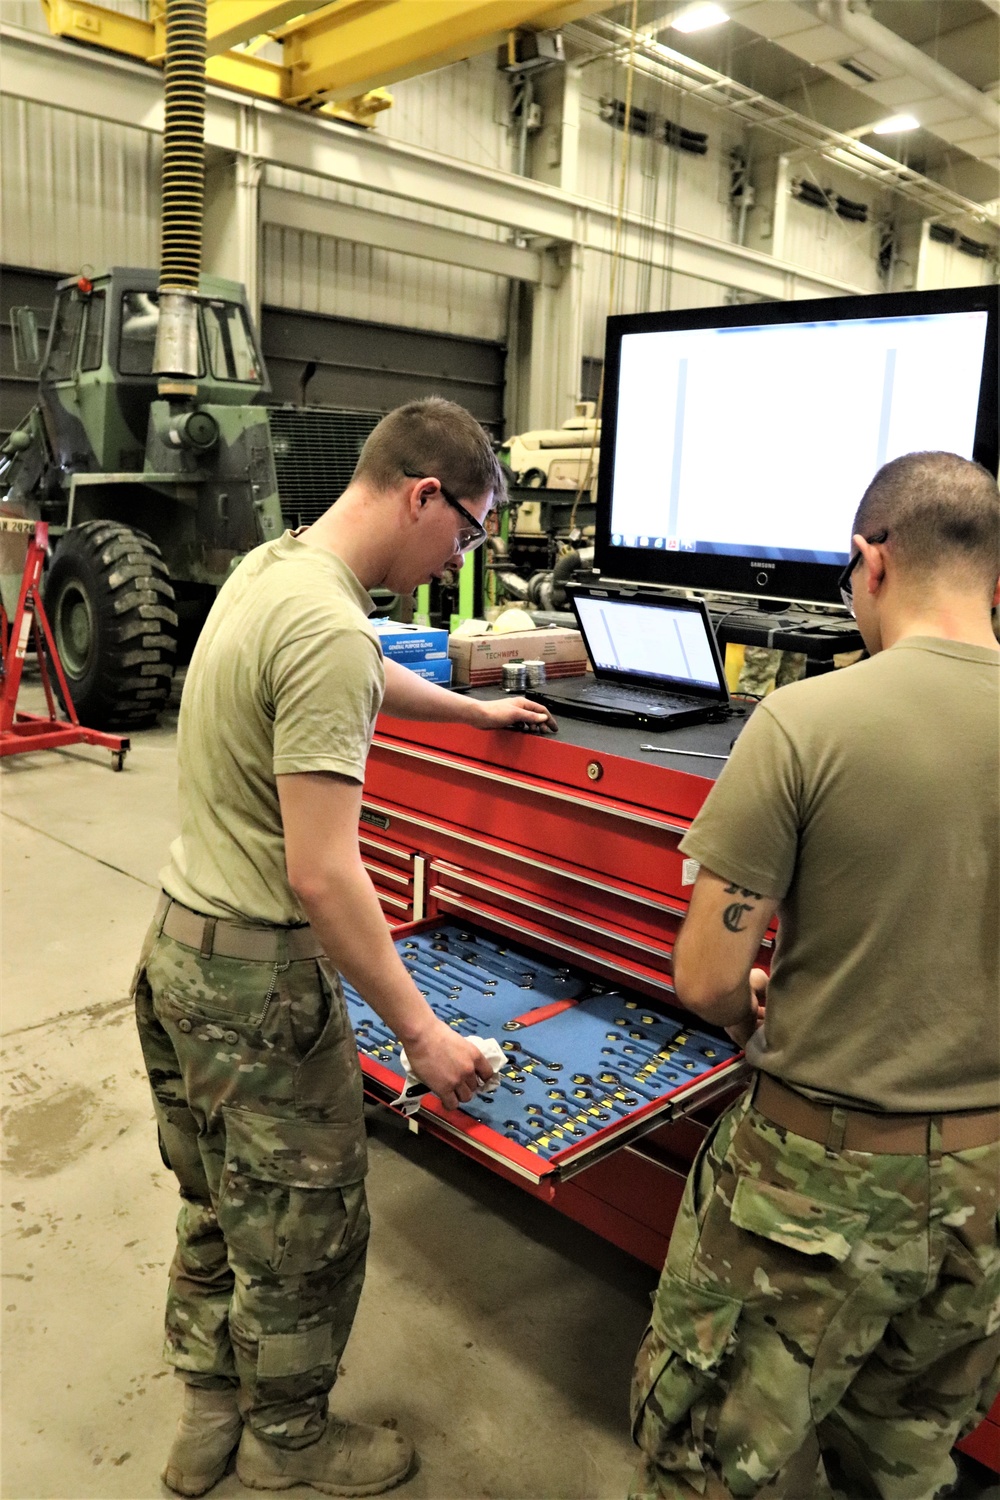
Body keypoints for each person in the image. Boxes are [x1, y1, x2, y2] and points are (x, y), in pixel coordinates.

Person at [132, 397, 556, 1499]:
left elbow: (357, 675)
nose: (454, 560)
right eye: (464, 532)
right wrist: (420, 1033)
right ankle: (288, 1439)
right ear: (424, 494)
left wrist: (474, 714)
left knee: (217, 1196)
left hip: (176, 948)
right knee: (305, 1225)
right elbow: (324, 873)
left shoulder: (277, 571)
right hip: (257, 982)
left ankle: (208, 1410)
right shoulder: (324, 624)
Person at [629, 451, 1000, 1500]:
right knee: (906, 1462)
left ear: (867, 562)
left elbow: (706, 979)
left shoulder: (804, 723)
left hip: (815, 1182)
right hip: (985, 1192)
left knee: (697, 1459)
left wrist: (763, 999)